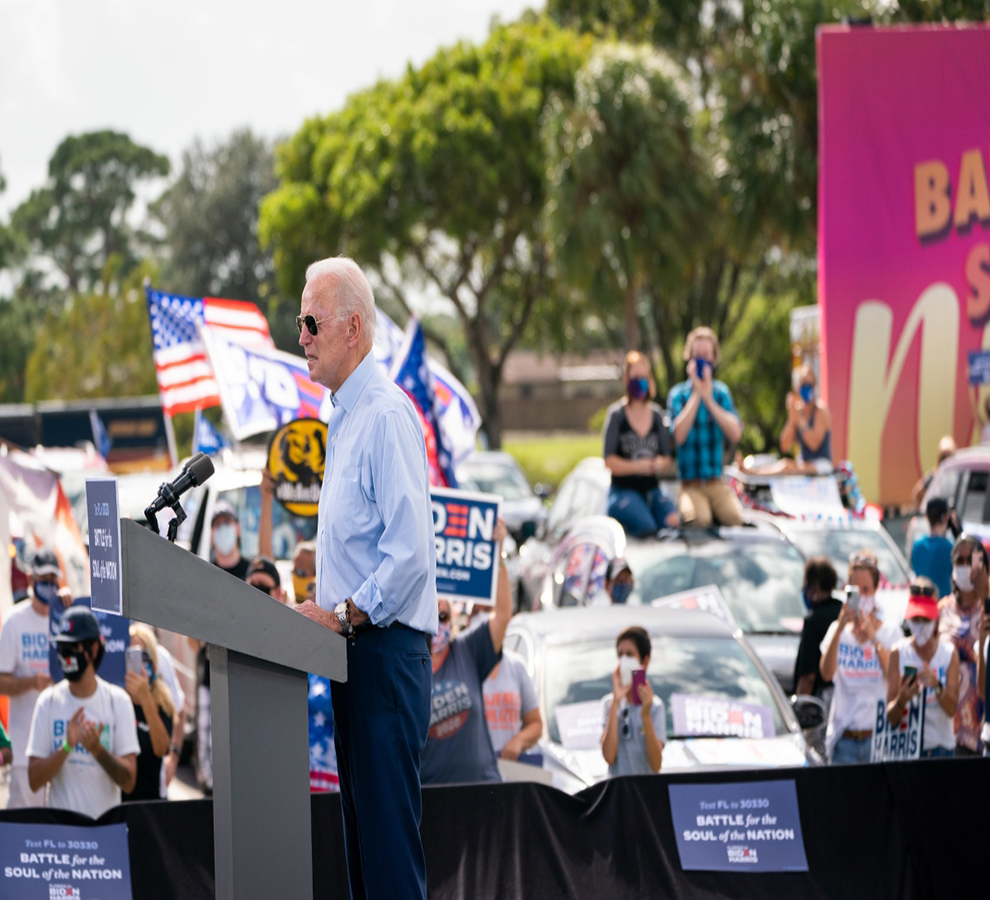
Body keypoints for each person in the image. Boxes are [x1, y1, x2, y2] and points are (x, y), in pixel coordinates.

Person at [292, 256, 437, 900]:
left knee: (389, 862)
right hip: (356, 656)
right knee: (364, 861)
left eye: (311, 321)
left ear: (353, 328)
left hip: (383, 656)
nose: (301, 335)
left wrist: (343, 614)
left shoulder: (384, 415)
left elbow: (409, 556)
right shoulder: (344, 417)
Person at [27, 606, 139, 817]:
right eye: (61, 647)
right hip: (61, 836)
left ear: (93, 649)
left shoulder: (118, 702)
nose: (65, 655)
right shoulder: (48, 701)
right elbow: (33, 781)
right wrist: (67, 746)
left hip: (104, 834)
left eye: (72, 647)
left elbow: (129, 782)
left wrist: (97, 750)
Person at [422, 521, 511, 784]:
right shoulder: (409, 663)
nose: (438, 624)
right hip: (432, 800)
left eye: (443, 615)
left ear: (453, 617)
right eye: (431, 615)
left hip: (482, 790)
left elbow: (503, 615)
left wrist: (499, 556)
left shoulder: (469, 651)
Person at [189, 499, 250, 794]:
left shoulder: (253, 572)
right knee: (210, 753)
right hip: (210, 676)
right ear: (211, 534)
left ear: (237, 528)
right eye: (217, 525)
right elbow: (190, 638)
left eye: (228, 522)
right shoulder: (204, 576)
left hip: (247, 676)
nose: (224, 529)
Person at [819, 551, 900, 764]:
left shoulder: (890, 632)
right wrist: (840, 627)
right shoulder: (837, 630)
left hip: (877, 740)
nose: (862, 597)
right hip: (844, 741)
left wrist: (873, 637)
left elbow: (894, 679)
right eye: (856, 591)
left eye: (867, 590)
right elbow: (826, 673)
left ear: (875, 591)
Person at [0, 549, 60, 808]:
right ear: (31, 579)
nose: (48, 585)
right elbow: (1, 681)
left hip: (61, 748)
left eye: (52, 579)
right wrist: (31, 683)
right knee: (25, 823)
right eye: (42, 578)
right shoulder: (15, 620)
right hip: (25, 748)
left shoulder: (64, 617)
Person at [668, 326, 744, 528]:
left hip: (716, 483)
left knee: (735, 519)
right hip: (690, 485)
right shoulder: (678, 395)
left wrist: (709, 400)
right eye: (697, 355)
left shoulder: (721, 393)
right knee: (700, 520)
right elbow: (679, 436)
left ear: (714, 359)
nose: (701, 360)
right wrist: (697, 394)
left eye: (706, 355)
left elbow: (735, 433)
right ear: (689, 358)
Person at [603, 351, 679, 536]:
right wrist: (638, 467)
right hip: (623, 491)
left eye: (644, 377)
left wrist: (659, 464)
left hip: (651, 490)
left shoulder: (656, 415)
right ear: (627, 379)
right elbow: (609, 461)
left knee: (673, 522)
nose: (640, 381)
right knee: (647, 526)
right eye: (636, 377)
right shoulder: (616, 416)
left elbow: (667, 458)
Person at [886, 578, 959, 759]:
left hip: (942, 750)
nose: (920, 626)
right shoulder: (898, 652)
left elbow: (952, 710)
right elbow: (890, 718)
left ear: (935, 619)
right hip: (907, 751)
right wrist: (902, 699)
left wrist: (936, 685)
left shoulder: (948, 653)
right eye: (915, 619)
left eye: (925, 620)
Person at [938, 533, 986, 755]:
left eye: (971, 561)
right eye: (960, 561)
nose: (965, 567)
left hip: (982, 724)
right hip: (947, 727)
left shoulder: (987, 608)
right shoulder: (941, 611)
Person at [601, 626, 665, 776]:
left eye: (630, 655)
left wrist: (645, 715)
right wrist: (616, 702)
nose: (624, 660)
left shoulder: (655, 706)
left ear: (645, 661)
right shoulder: (609, 704)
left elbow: (656, 765)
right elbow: (609, 757)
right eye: (620, 654)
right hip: (618, 793)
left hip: (645, 794)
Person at [123, 624, 175, 802]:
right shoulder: (114, 698)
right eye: (131, 656)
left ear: (152, 661)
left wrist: (145, 698)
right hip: (117, 803)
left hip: (149, 804)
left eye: (142, 656)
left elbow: (161, 749)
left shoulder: (162, 701)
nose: (138, 664)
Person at [483, 640, 542, 763]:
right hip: (472, 772)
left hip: (509, 770)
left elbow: (536, 724)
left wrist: (519, 740)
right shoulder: (462, 667)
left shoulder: (516, 665)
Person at [793, 557, 841, 699]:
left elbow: (808, 676)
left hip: (820, 706)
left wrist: (799, 707)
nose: (804, 590)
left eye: (806, 584)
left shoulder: (813, 620)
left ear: (815, 586)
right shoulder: (843, 612)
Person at [775, 365, 833, 474]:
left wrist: (799, 420)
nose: (806, 387)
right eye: (803, 384)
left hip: (822, 465)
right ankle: (750, 472)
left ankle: (752, 474)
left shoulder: (820, 410)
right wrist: (792, 418)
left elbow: (814, 444)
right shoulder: (798, 412)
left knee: (787, 468)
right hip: (804, 464)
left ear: (814, 386)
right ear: (797, 388)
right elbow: (784, 446)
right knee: (785, 464)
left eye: (809, 384)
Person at [911, 497, 954, 599]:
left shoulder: (917, 545)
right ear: (947, 517)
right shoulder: (950, 548)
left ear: (927, 516)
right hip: (943, 605)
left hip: (922, 605)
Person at [911, 435, 956, 509]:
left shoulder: (959, 475)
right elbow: (917, 493)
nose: (946, 461)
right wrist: (924, 512)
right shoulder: (935, 475)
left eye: (949, 456)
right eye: (943, 457)